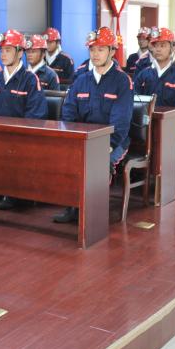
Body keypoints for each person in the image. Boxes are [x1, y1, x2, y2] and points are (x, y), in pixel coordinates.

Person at [55, 26, 134, 224]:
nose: (95, 54)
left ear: (112, 51)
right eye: (92, 49)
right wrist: (73, 139)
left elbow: (121, 121)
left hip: (113, 141)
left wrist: (108, 144)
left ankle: (93, 212)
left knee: (100, 161)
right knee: (68, 157)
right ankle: (73, 206)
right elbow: (68, 112)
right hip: (84, 139)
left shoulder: (122, 81)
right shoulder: (81, 80)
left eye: (100, 49)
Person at [0, 29, 47, 209]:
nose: (3, 54)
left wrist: (15, 134)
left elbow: (35, 115)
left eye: (8, 50)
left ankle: (15, 193)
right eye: (1, 50)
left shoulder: (30, 80)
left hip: (21, 137)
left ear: (20, 53)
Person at [135, 28, 175, 133]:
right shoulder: (143, 74)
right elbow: (135, 102)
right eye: (155, 45)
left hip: (173, 124)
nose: (158, 49)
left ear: (172, 48)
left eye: (162, 46)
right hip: (146, 124)